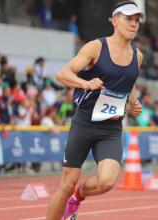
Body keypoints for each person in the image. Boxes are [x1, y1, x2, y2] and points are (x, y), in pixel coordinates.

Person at [46, 1, 144, 219]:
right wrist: (85, 84)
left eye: (137, 20)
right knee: (66, 184)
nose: (133, 24)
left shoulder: (137, 56)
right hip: (84, 124)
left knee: (107, 182)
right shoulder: (96, 48)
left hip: (111, 128)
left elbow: (129, 82)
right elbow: (62, 74)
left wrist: (133, 103)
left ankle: (78, 196)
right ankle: (68, 197)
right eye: (128, 18)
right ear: (114, 20)